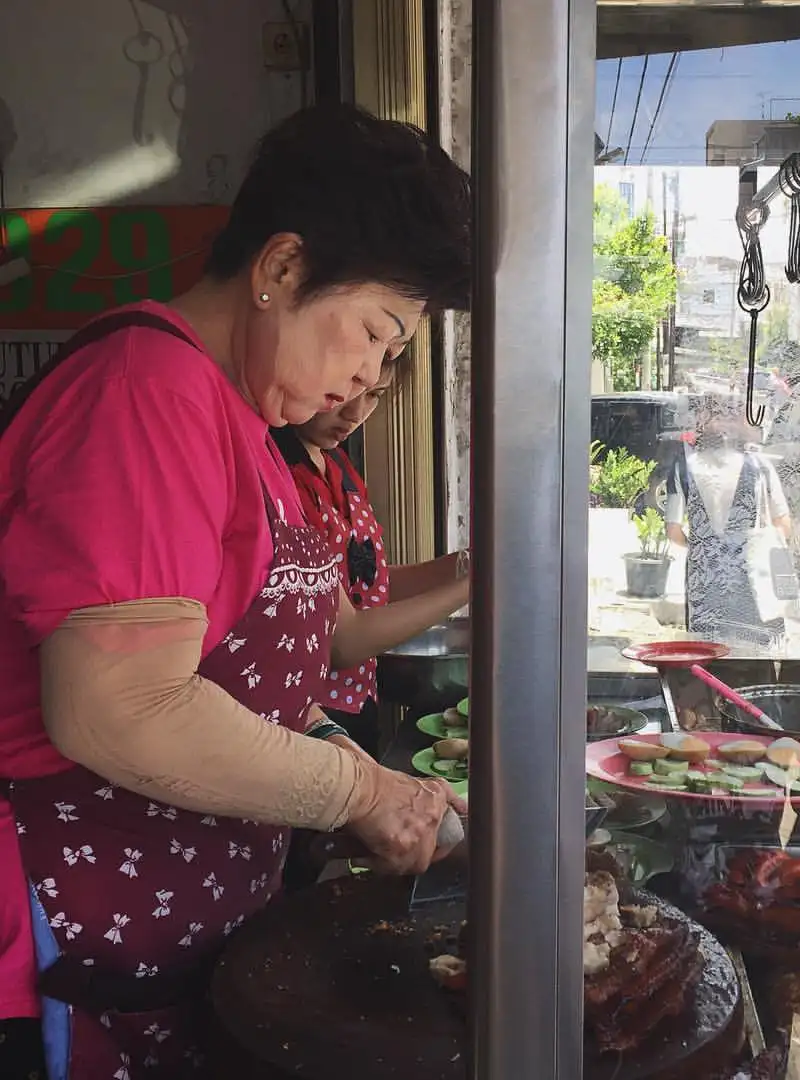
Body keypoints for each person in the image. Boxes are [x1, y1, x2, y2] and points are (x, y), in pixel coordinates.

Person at [0, 102, 470, 1079]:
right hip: (72, 941)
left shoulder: (242, 421)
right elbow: (119, 708)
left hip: (180, 937)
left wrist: (348, 757)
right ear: (282, 268)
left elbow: (242, 671)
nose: (366, 376)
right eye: (375, 333)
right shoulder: (146, 390)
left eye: (392, 359)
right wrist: (359, 789)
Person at [271, 384, 470, 754]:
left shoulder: (336, 464)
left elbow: (368, 584)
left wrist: (468, 563)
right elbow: (341, 642)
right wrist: (475, 585)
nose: (355, 413)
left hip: (359, 702)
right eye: (344, 390)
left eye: (375, 394)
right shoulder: (281, 477)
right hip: (308, 719)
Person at [665, 395, 795, 651]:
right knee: (753, 661)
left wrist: (705, 549)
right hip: (752, 583)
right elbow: (783, 526)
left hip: (704, 584)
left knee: (707, 659)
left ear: (700, 424)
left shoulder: (682, 468)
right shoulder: (761, 467)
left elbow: (673, 531)